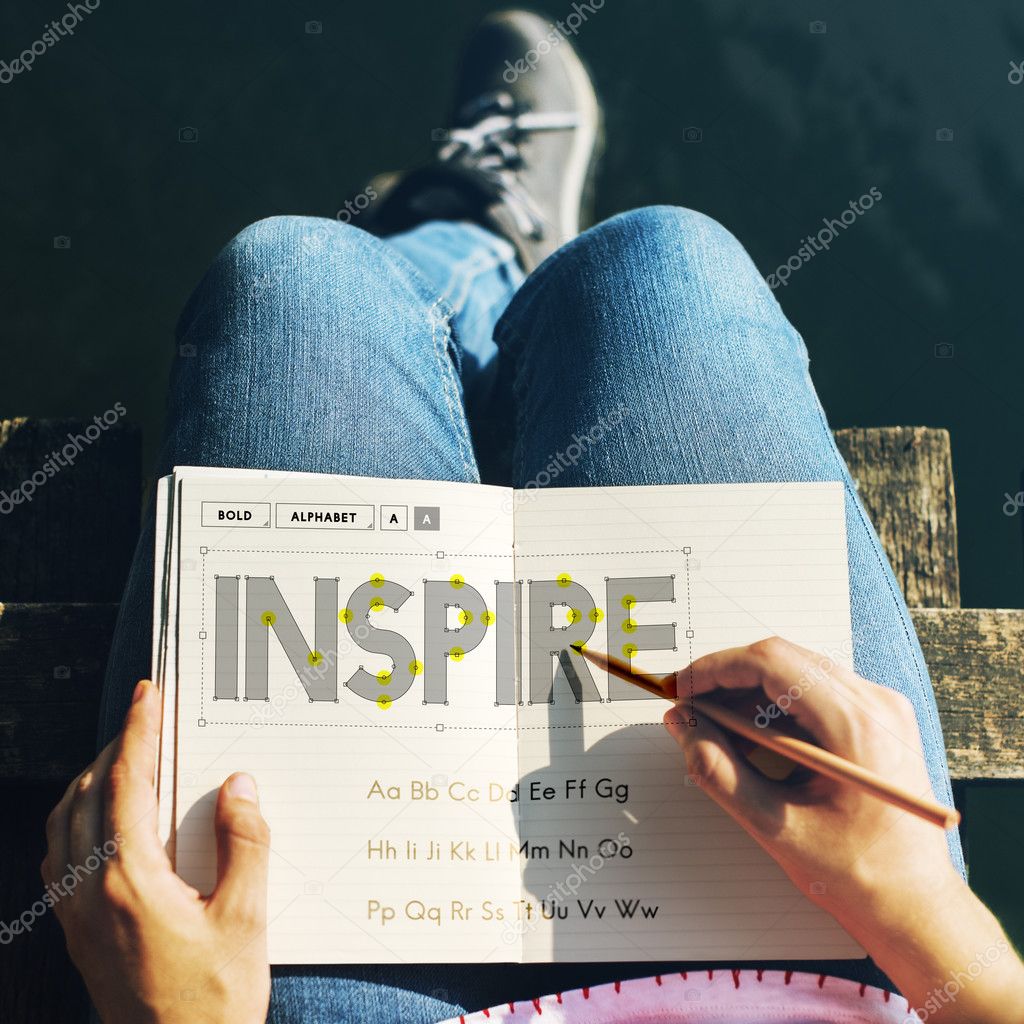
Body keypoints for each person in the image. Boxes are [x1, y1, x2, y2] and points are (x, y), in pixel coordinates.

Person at [42, 10, 1024, 1023]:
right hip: (823, 975)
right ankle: (484, 261)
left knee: (293, 277)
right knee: (660, 263)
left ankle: (455, 251)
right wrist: (932, 914)